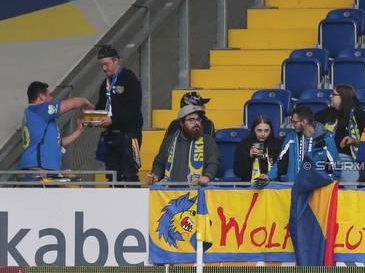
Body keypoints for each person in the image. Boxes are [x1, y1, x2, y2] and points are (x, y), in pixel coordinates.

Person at [18, 81, 95, 176]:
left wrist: (78, 131)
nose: (52, 98)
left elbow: (58, 143)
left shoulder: (37, 115)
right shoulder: (40, 110)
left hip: (40, 171)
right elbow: (71, 104)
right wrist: (84, 101)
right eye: (49, 95)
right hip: (37, 171)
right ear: (41, 97)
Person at [95, 45, 144, 182]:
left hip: (129, 134)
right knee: (112, 176)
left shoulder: (129, 79)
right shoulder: (105, 84)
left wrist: (112, 120)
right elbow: (101, 107)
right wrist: (90, 114)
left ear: (116, 60)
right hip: (110, 135)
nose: (104, 68)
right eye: (102, 66)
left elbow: (133, 108)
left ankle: (135, 203)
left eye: (106, 64)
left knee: (129, 174)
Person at [259, 105, 338, 183]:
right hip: (294, 187)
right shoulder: (291, 138)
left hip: (317, 190)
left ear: (304, 122)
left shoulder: (326, 141)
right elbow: (281, 162)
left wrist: (324, 184)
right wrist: (269, 176)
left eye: (294, 122)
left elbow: (336, 168)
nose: (292, 124)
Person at [147, 105, 221, 186]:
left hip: (198, 192)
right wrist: (156, 175)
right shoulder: (169, 140)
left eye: (198, 120)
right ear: (181, 123)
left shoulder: (208, 141)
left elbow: (214, 161)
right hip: (170, 192)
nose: (196, 123)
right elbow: (160, 163)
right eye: (191, 120)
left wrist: (207, 175)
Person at [315, 84, 365, 183]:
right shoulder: (328, 112)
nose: (330, 96)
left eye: (334, 94)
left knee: (352, 193)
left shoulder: (357, 114)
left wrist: (354, 141)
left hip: (348, 160)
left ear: (343, 98)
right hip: (325, 160)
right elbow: (309, 122)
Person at [233, 115, 282, 182]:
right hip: (249, 187)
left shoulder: (277, 143)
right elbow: (238, 173)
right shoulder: (243, 144)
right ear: (254, 130)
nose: (263, 134)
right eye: (259, 130)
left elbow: (282, 167)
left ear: (271, 131)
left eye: (266, 131)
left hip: (273, 187)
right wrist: (249, 157)